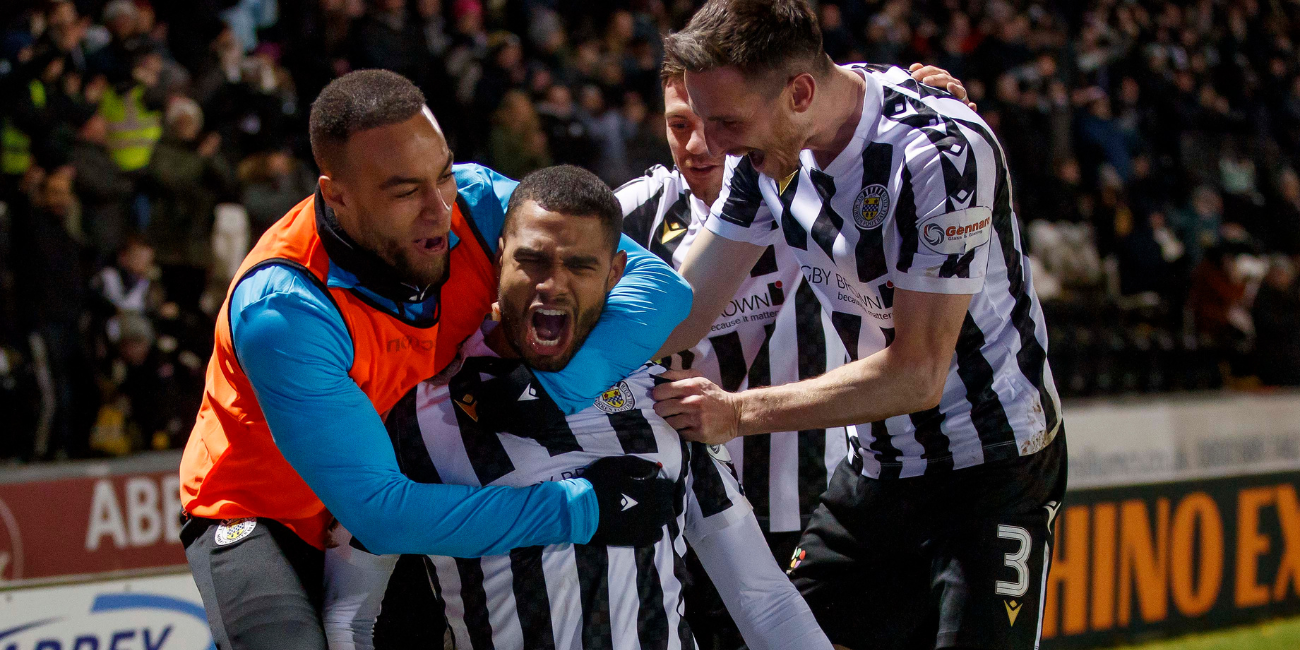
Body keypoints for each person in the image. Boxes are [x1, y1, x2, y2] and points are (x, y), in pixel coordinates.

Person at [178, 70, 692, 650]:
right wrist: (579, 508)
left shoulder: (475, 202)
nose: (438, 208)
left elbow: (661, 286)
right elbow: (379, 512)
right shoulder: (283, 308)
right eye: (405, 192)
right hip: (263, 512)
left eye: (442, 173)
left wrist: (554, 390)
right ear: (336, 195)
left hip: (394, 490)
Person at [651, 2, 1066, 649]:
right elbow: (685, 307)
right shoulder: (761, 158)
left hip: (990, 463)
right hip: (879, 464)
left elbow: (918, 374)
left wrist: (734, 414)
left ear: (800, 93)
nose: (713, 145)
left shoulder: (937, 153)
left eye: (726, 122)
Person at [322, 165, 831, 650]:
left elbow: (761, 597)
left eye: (580, 266)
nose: (553, 284)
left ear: (614, 273)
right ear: (500, 256)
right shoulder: (415, 412)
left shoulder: (664, 397)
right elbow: (351, 615)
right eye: (533, 260)